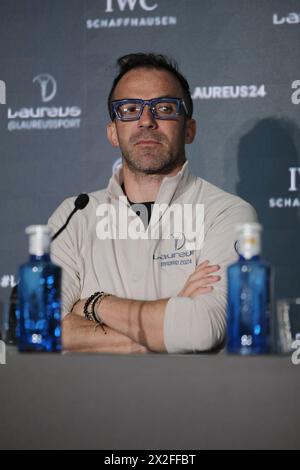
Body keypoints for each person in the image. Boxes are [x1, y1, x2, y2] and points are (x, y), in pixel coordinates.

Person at [48, 53, 257, 354]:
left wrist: (94, 304)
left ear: (189, 129)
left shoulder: (226, 213)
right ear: (112, 132)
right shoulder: (74, 216)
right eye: (130, 109)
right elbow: (44, 327)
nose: (146, 120)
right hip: (88, 399)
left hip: (192, 398)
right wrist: (167, 327)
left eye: (164, 108)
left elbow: (201, 331)